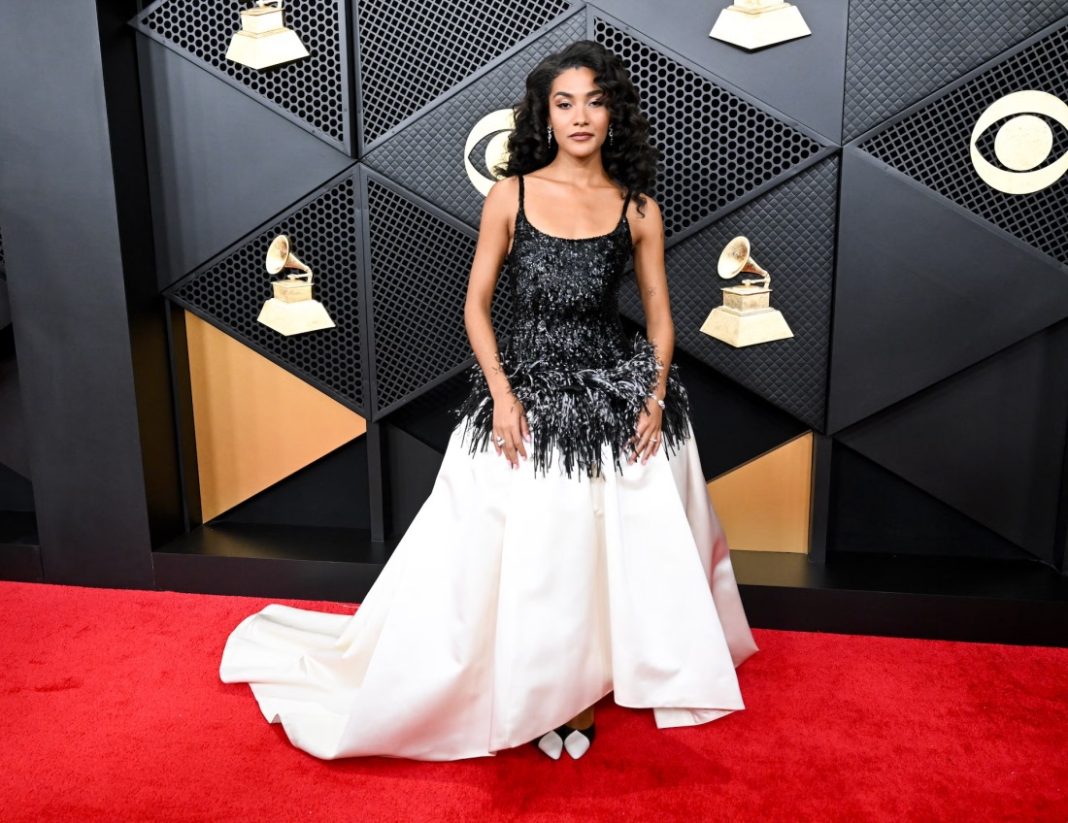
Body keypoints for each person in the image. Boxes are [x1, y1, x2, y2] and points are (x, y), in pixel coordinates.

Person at [218, 39, 759, 763]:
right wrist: (503, 396)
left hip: (614, 383)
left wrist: (655, 395)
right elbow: (475, 307)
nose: (579, 117)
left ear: (613, 114)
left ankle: (593, 679)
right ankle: (539, 688)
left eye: (594, 102)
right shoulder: (513, 193)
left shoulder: (638, 209)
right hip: (527, 387)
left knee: (612, 540)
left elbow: (660, 318)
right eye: (564, 103)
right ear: (543, 113)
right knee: (541, 553)